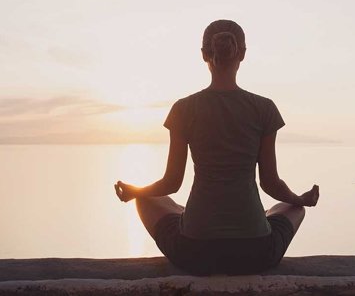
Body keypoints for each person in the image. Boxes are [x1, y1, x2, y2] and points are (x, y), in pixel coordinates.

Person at [114, 19, 319, 275]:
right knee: (290, 208)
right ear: (242, 54)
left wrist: (136, 191)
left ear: (203, 55)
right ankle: (253, 217)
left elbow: (172, 183)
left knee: (145, 200)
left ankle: (187, 214)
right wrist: (301, 199)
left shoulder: (184, 108)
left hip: (195, 252)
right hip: (255, 252)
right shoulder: (264, 108)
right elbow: (270, 183)